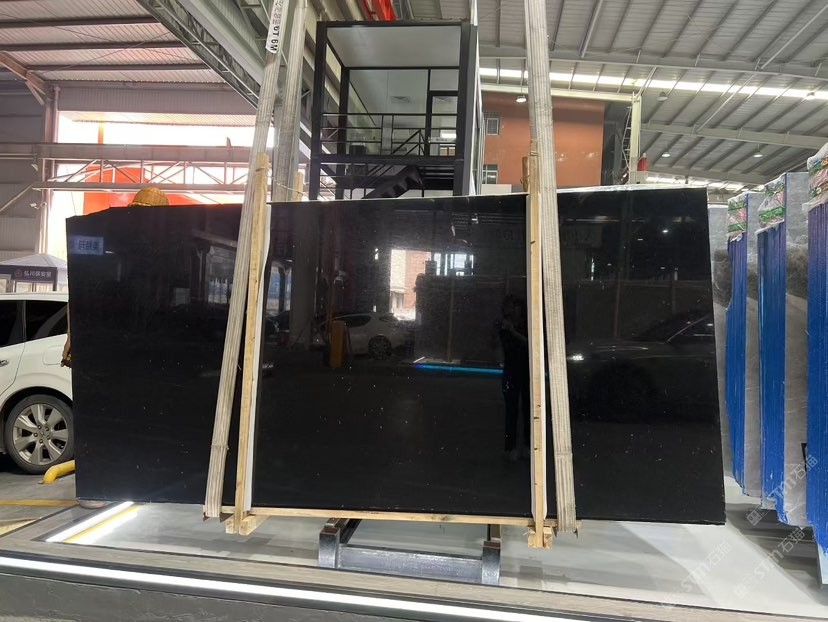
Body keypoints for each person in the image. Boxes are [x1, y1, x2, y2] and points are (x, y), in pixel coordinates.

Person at [499, 295, 530, 461]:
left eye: (516, 306)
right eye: (511, 307)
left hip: (526, 371)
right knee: (511, 411)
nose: (514, 310)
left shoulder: (526, 325)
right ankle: (510, 447)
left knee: (528, 409)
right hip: (511, 372)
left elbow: (530, 344)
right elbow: (504, 346)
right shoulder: (504, 326)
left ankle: (527, 445)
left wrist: (513, 331)